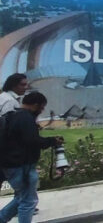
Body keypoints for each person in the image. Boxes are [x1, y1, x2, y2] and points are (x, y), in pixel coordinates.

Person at [0, 92, 62, 223]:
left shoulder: (13, 115)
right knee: (28, 201)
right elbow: (32, 141)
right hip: (21, 166)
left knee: (22, 198)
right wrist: (52, 141)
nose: (42, 110)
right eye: (42, 107)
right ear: (35, 105)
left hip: (11, 165)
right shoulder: (25, 118)